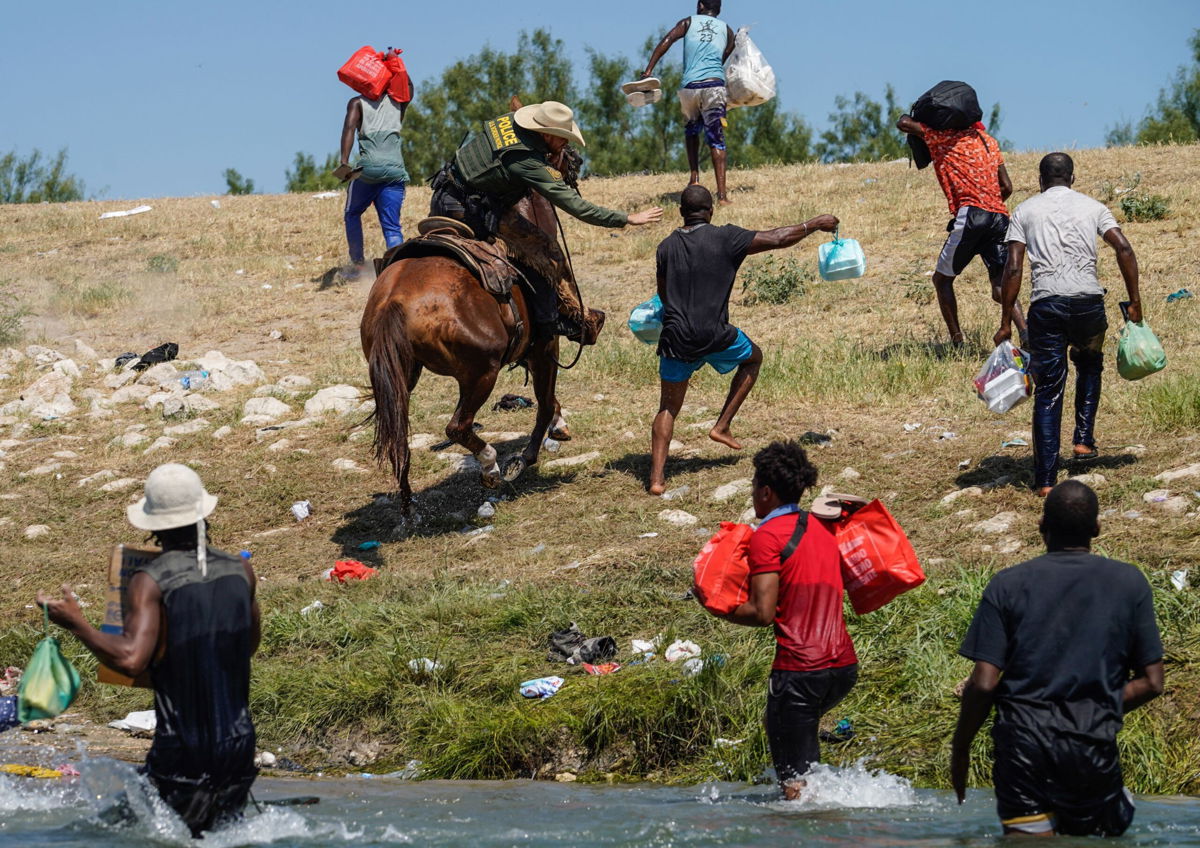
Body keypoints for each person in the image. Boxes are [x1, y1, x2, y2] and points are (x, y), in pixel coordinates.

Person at [38, 464, 261, 838]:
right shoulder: (241, 571)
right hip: (238, 743)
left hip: (183, 748)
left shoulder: (150, 579)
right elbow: (248, 643)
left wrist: (76, 622)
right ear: (203, 515)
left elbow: (130, 658)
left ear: (153, 525)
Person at [952, 480, 1163, 837]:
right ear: (1096, 528)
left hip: (1023, 747)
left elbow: (984, 683)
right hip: (1090, 744)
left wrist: (961, 748)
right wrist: (1096, 708)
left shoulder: (1007, 584)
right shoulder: (1130, 583)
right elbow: (1153, 683)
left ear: (1041, 527)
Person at [648, 184, 837, 495]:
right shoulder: (725, 237)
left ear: (681, 212)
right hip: (715, 333)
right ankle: (721, 425)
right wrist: (813, 224)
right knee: (753, 358)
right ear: (710, 212)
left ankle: (656, 480)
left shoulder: (666, 246)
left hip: (676, 336)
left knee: (667, 406)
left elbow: (664, 294)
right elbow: (778, 238)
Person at [430, 100, 663, 340]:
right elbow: (576, 206)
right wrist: (627, 218)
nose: (566, 143)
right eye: (562, 137)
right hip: (470, 211)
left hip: (443, 195)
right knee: (545, 254)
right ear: (544, 133)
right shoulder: (527, 162)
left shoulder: (510, 121)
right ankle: (550, 321)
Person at [994, 152, 1143, 496]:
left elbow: (1013, 268)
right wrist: (1135, 301)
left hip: (1046, 306)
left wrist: (1006, 321)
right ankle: (1084, 441)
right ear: (1072, 179)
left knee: (1048, 389)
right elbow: (1124, 248)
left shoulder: (1025, 211)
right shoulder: (1093, 207)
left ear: (1041, 180)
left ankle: (1046, 480)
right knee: (1089, 363)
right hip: (1088, 303)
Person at [716, 440, 858, 799]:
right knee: (789, 730)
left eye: (753, 487)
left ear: (765, 491)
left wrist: (718, 607)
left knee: (795, 787)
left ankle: (804, 814)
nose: (752, 493)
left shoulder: (766, 537)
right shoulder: (823, 527)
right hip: (842, 667)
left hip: (800, 669)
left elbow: (763, 613)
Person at [896, 112, 1025, 345]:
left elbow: (903, 124)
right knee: (1000, 286)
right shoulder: (988, 141)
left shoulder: (945, 136)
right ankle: (1025, 332)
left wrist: (915, 113)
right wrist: (989, 203)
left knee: (942, 280)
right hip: (999, 216)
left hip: (972, 216)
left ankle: (957, 341)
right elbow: (1007, 186)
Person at [640, 1, 736, 204]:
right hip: (714, 85)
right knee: (716, 138)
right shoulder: (727, 30)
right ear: (717, 9)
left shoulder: (688, 22)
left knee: (692, 130)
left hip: (690, 86)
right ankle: (722, 195)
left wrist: (648, 70)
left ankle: (694, 178)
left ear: (701, 5)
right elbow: (728, 51)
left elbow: (667, 40)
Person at [339, 75, 415, 280]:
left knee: (352, 213)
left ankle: (358, 266)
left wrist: (344, 163)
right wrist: (397, 66)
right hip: (395, 170)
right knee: (392, 226)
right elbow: (409, 87)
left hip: (368, 170)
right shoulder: (399, 103)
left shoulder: (357, 103)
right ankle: (398, 271)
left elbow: (348, 129)